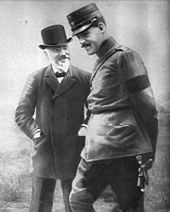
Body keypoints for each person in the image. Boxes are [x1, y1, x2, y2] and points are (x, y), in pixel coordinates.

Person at [66, 3, 158, 212]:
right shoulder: (101, 62)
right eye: (77, 37)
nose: (81, 42)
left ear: (101, 27)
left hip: (125, 149)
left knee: (130, 206)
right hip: (97, 150)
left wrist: (148, 148)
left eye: (85, 34)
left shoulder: (124, 56)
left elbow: (148, 107)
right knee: (78, 199)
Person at [15, 24, 91, 212]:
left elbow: (94, 110)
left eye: (65, 48)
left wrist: (85, 127)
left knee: (74, 205)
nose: (63, 53)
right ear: (46, 53)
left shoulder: (84, 78)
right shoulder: (36, 78)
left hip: (73, 151)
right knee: (39, 206)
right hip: (44, 152)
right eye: (57, 49)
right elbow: (21, 113)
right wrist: (35, 133)